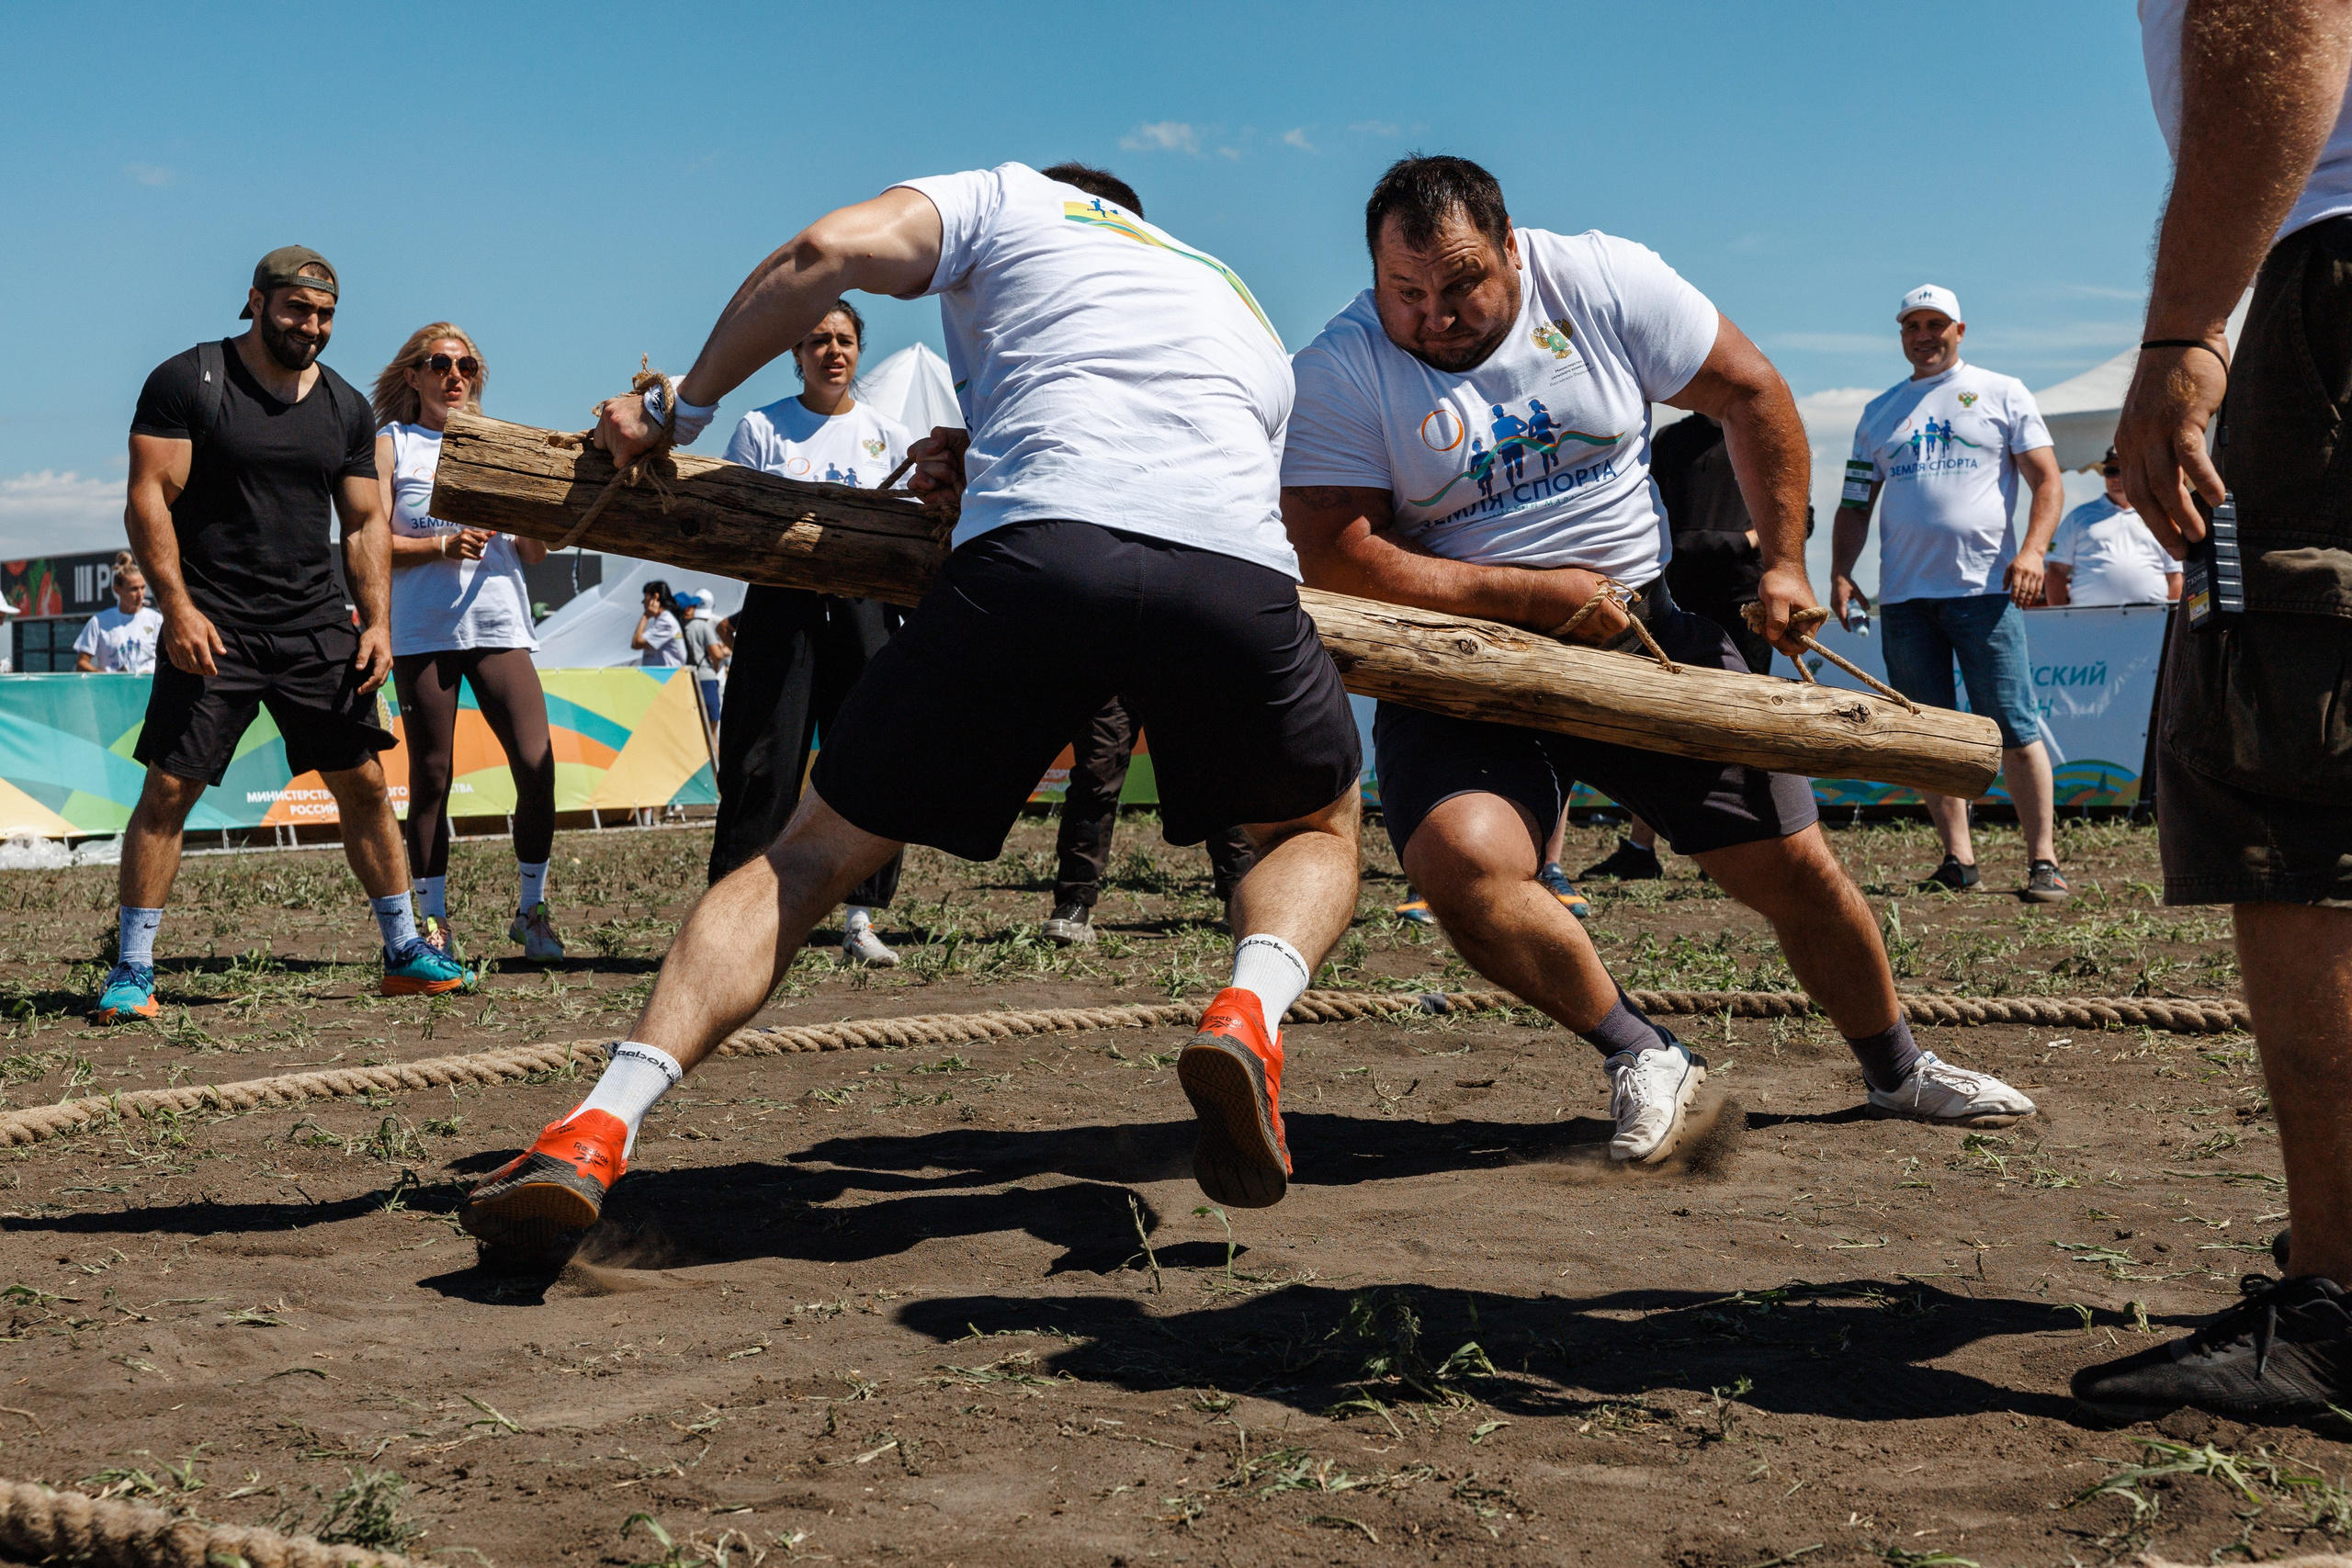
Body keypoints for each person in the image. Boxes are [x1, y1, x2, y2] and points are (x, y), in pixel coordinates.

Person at [461, 159, 1363, 1248]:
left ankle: (597, 1128)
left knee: (801, 861)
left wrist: (679, 408)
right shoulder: (1229, 293)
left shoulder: (1010, 197)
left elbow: (820, 257)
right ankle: (1248, 1012)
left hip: (1039, 555)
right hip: (1228, 570)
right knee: (1312, 825)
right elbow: (1175, 457)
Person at [1282, 155, 2035, 1164]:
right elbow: (1336, 553)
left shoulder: (1599, 281)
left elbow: (1752, 394)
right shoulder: (1338, 366)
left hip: (1649, 635)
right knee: (1457, 865)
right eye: (1405, 293)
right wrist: (1525, 593)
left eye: (1462, 284)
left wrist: (1783, 567)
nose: (1435, 316)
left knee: (1792, 869)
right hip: (1465, 659)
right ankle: (1641, 1049)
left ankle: (1897, 1069)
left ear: (1513, 248)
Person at [2069, 0, 2352, 1429]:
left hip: (2335, 284)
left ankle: (2347, 1305)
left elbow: (2287, 19)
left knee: (2300, 776)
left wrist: (2186, 333)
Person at [97, 246, 469, 1023]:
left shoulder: (342, 406)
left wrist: (377, 625)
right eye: (298, 309)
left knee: (364, 784)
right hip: (214, 622)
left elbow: (365, 523)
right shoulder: (187, 381)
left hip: (312, 623)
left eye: (326, 315)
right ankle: (132, 969)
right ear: (257, 302)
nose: (313, 326)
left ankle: (403, 950)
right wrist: (178, 607)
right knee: (169, 788)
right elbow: (147, 503)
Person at [1831, 286, 2071, 902]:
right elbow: (1855, 504)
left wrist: (2034, 552)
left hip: (1985, 591)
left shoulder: (2003, 390)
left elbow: (2047, 481)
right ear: (1901, 335)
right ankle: (1957, 859)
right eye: (1912, 324)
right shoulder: (1878, 411)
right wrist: (1839, 571)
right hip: (1905, 599)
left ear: (1960, 329)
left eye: (1936, 323)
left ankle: (2043, 859)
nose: (1924, 334)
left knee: (2015, 727)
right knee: (1928, 738)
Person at [709, 299, 910, 967]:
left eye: (845, 340)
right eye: (818, 340)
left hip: (866, 610)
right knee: (761, 762)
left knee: (871, 757)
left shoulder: (890, 435)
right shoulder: (761, 427)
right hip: (780, 609)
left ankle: (859, 919)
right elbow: (730, 522)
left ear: (860, 350)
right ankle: (736, 919)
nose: (833, 351)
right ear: (795, 353)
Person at [372, 323, 565, 965]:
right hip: (425, 631)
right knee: (431, 775)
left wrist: (534, 513)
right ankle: (433, 922)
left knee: (537, 765)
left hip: (499, 623)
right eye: (441, 363)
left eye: (468, 365)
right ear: (415, 376)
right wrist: (440, 545)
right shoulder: (393, 444)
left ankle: (532, 908)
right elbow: (368, 543)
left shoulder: (499, 442)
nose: (456, 374)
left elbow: (534, 551)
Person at [1583, 412, 1785, 882]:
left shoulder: (1758, 428)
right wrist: (1745, 541)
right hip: (1677, 602)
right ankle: (1640, 847)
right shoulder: (1671, 440)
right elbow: (1667, 530)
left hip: (1748, 603)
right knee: (1661, 722)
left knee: (1750, 722)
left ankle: (1751, 840)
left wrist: (1744, 545)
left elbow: (1799, 516)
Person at [1041, 696, 1257, 944]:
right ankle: (1074, 904)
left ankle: (1237, 901)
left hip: (1184, 670)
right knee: (1094, 777)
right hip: (1112, 672)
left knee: (1216, 773)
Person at [2045, 446, 2182, 607]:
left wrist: (2170, 619)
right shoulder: (2078, 517)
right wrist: (2062, 619)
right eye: (2111, 471)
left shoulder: (2159, 516)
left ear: (2138, 473)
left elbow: (2175, 574)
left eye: (2123, 470)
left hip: (2150, 618)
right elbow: (2056, 571)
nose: (2117, 478)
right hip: (2089, 620)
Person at [74, 553, 163, 674]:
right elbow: (82, 664)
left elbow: (170, 660)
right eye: (134, 589)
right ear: (117, 589)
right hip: (112, 690)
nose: (140, 594)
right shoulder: (99, 621)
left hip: (146, 689)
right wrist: (106, 677)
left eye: (143, 587)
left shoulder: (157, 620)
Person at [676, 589, 730, 724]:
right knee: (712, 725)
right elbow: (717, 655)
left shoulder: (676, 627)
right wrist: (716, 667)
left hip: (684, 677)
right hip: (707, 677)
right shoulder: (703, 625)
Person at [632, 581, 685, 667]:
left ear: (655, 597)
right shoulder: (663, 619)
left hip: (668, 677)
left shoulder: (666, 622)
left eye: (646, 597)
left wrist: (645, 616)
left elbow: (636, 643)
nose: (643, 602)